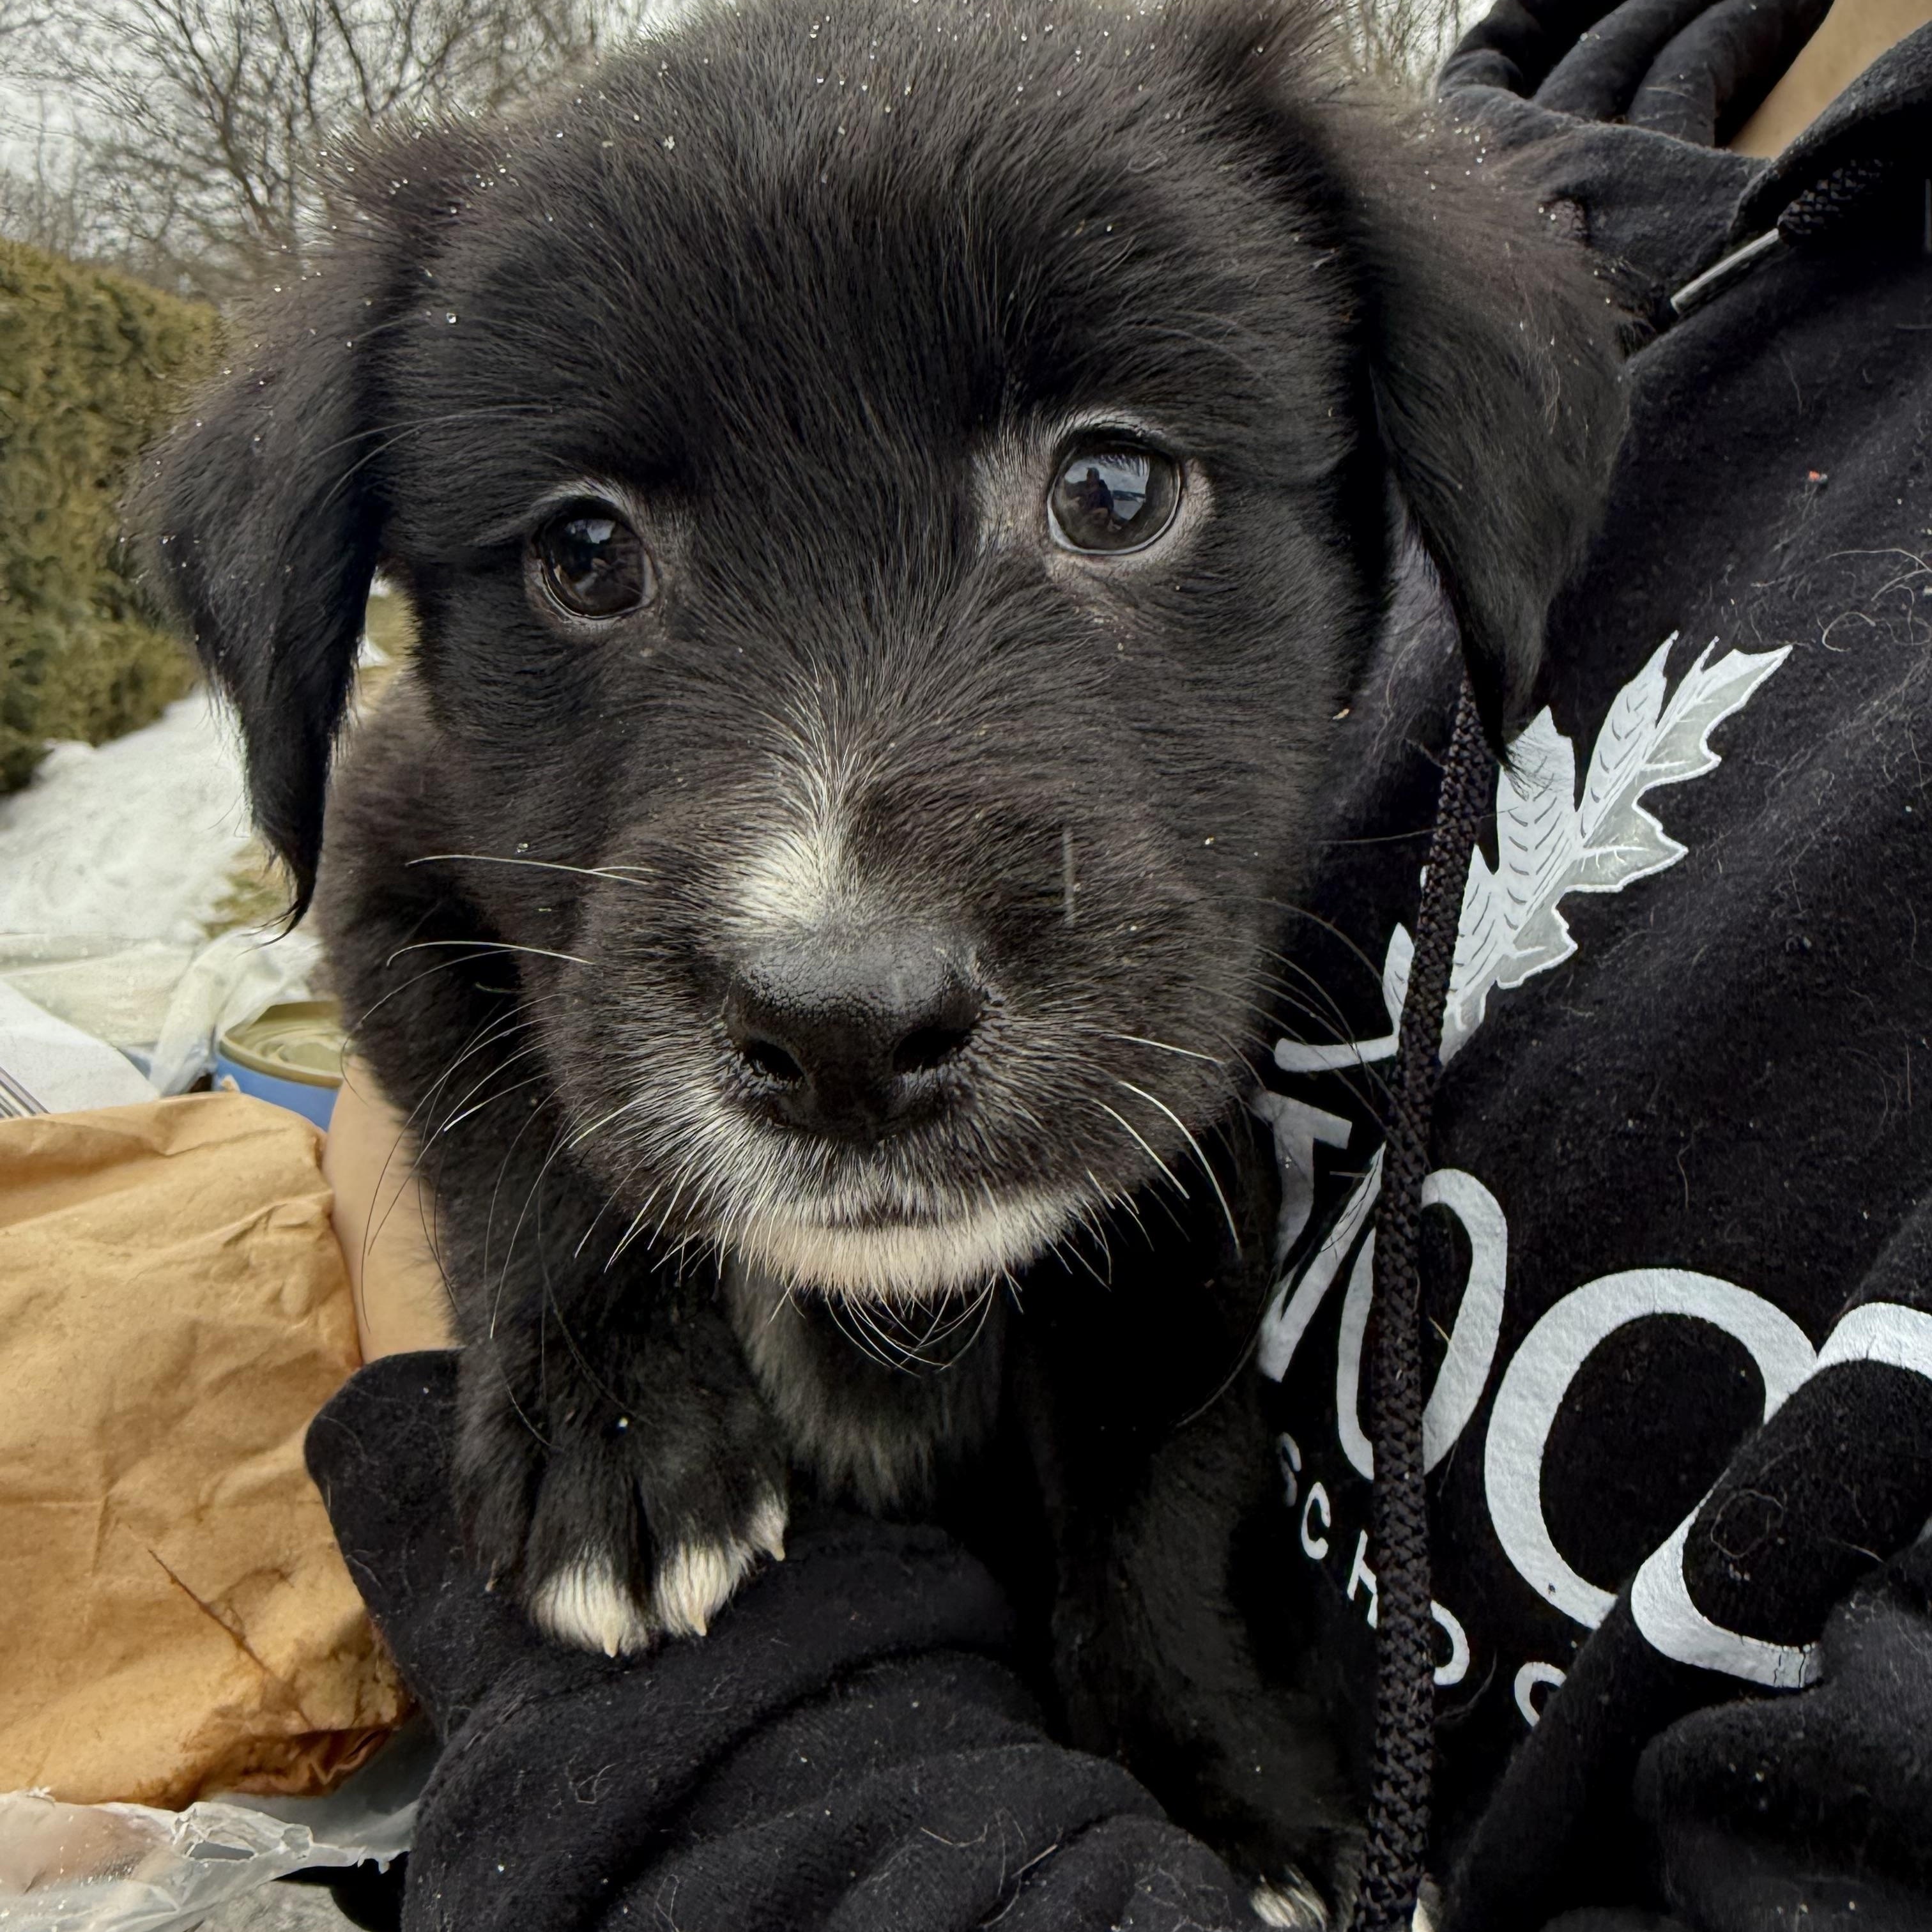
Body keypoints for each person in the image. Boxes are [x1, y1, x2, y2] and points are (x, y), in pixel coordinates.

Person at [309, 1, 1932, 1926]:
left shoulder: (1394, 280)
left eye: (1109, 496)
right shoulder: (1503, 136)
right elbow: (390, 867)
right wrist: (552, 1285)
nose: (827, 928)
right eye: (589, 555)